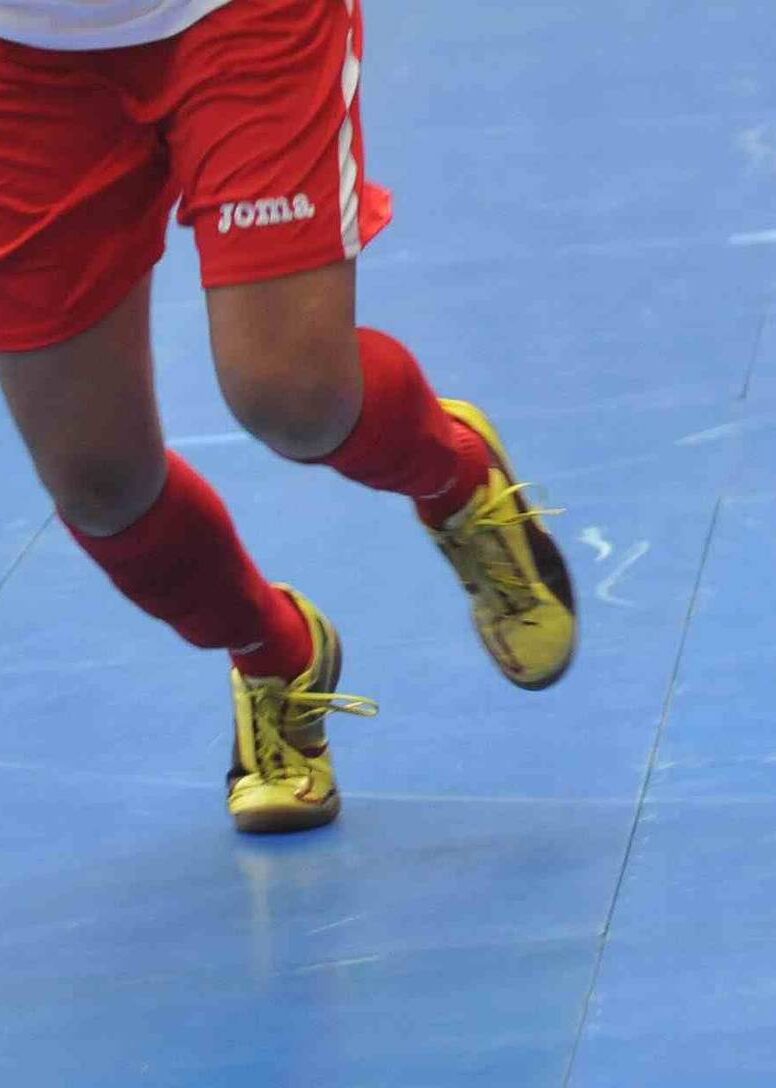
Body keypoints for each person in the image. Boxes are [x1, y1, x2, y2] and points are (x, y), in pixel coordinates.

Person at [0, 0, 577, 833]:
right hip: (24, 55)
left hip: (238, 16)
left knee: (294, 393)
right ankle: (276, 655)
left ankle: (455, 475)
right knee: (99, 484)